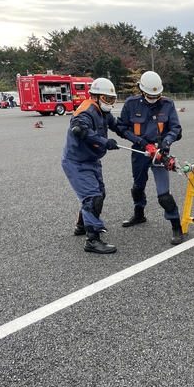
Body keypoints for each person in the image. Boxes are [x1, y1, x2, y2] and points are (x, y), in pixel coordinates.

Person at [116, 71, 184, 245]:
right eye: (149, 95)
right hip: (140, 151)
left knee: (163, 194)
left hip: (159, 153)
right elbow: (122, 127)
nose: (153, 98)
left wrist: (166, 144)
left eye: (157, 95)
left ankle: (177, 226)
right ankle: (139, 214)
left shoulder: (168, 104)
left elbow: (175, 129)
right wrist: (140, 141)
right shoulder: (131, 104)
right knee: (137, 187)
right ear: (141, 90)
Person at [61, 77, 121, 254]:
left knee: (100, 193)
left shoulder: (103, 112)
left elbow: (119, 127)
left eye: (112, 99)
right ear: (94, 96)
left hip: (91, 160)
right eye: (106, 99)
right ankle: (92, 240)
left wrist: (139, 140)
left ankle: (81, 226)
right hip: (76, 161)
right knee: (93, 198)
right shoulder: (86, 111)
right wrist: (105, 142)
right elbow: (79, 129)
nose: (109, 103)